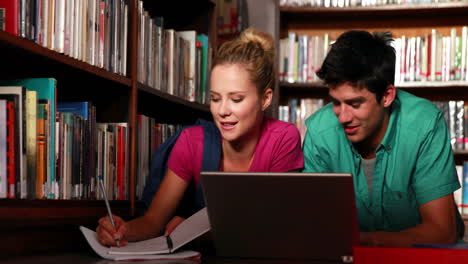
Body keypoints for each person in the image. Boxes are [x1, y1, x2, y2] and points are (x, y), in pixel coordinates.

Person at [96, 28, 304, 246]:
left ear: (265, 99)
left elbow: (278, 227)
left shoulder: (283, 138)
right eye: (215, 98)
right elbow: (153, 222)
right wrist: (122, 230)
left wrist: (195, 232)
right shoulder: (192, 141)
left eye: (236, 99)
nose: (222, 110)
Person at [302, 30, 464, 247]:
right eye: (336, 102)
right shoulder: (319, 131)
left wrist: (367, 241)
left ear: (387, 96)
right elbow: (312, 226)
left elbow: (442, 232)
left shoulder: (425, 124)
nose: (343, 117)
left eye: (354, 104)